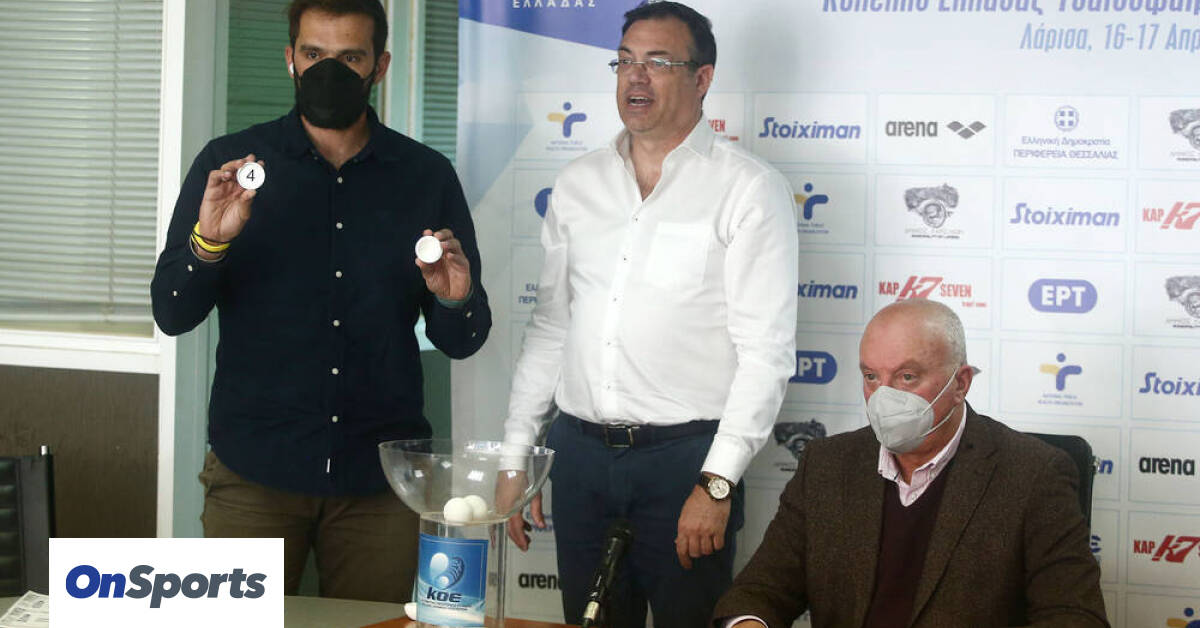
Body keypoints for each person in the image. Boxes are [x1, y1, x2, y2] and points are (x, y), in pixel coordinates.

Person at [150, 0, 490, 603]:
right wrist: (210, 243)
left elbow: (463, 338)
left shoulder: (425, 175)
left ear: (380, 65)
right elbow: (173, 312)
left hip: (380, 482)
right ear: (290, 59)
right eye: (313, 54)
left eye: (349, 57)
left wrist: (454, 299)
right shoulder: (229, 166)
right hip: (253, 473)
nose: (327, 71)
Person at [500, 2, 798, 626]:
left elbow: (765, 355)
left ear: (702, 78)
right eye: (625, 61)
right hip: (579, 458)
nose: (635, 77)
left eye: (658, 62)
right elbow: (550, 328)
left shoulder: (747, 188)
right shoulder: (577, 182)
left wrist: (716, 482)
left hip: (685, 463)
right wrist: (516, 455)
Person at [713, 299, 1108, 628]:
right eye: (871, 376)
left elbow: (1074, 615)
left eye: (907, 377)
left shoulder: (1033, 473)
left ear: (960, 383)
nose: (883, 396)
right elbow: (760, 590)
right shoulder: (827, 465)